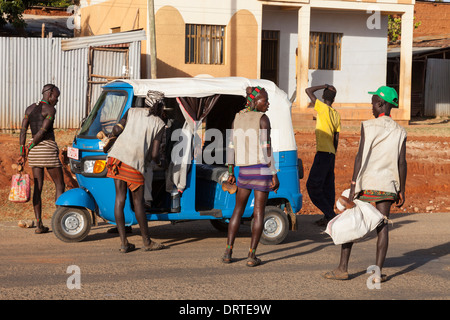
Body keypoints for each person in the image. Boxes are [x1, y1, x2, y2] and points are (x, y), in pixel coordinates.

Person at [323, 86, 407, 282]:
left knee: (353, 220)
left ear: (380, 104)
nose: (371, 107)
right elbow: (402, 162)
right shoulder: (401, 131)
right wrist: (401, 189)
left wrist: (353, 186)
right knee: (383, 226)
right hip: (387, 184)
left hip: (366, 183)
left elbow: (360, 156)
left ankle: (342, 268)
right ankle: (377, 274)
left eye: (373, 103)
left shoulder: (367, 126)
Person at [222, 86, 279, 267]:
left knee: (237, 211)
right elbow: (266, 149)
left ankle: (228, 252)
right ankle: (251, 256)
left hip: (244, 171)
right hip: (261, 170)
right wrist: (274, 174)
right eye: (265, 100)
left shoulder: (237, 117)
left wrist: (231, 172)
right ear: (255, 101)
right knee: (259, 212)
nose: (268, 103)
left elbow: (231, 147)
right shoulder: (263, 119)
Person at [105, 90, 168, 253]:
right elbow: (154, 155)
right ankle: (147, 242)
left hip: (116, 158)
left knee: (119, 198)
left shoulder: (131, 111)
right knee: (138, 202)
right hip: (133, 163)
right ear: (160, 105)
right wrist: (162, 162)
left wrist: (109, 137)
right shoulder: (160, 124)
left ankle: (124, 243)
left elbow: (117, 130)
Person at [18, 84, 65, 234]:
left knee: (38, 188)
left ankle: (39, 225)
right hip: (47, 148)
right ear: (49, 94)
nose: (57, 100)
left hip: (34, 152)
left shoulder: (29, 109)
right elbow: (44, 131)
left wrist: (23, 152)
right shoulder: (50, 110)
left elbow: (23, 131)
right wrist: (30, 146)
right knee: (59, 184)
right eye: (56, 97)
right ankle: (60, 224)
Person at [305, 84, 340, 226]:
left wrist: (324, 85)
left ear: (324, 96)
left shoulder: (321, 107)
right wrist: (334, 153)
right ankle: (328, 216)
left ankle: (331, 215)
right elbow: (336, 136)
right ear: (334, 99)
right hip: (331, 153)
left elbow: (308, 91)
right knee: (327, 185)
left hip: (323, 153)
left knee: (312, 186)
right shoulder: (336, 114)